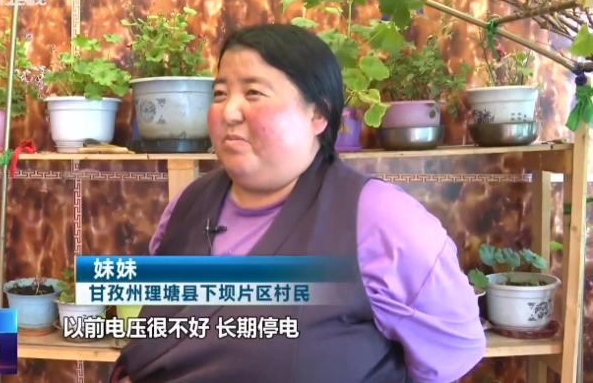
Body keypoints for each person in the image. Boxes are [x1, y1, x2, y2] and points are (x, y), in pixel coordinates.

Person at [111, 23, 485, 383]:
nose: (229, 111)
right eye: (220, 94)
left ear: (317, 114)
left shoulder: (378, 218)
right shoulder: (187, 205)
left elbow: (454, 350)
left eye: (253, 93)